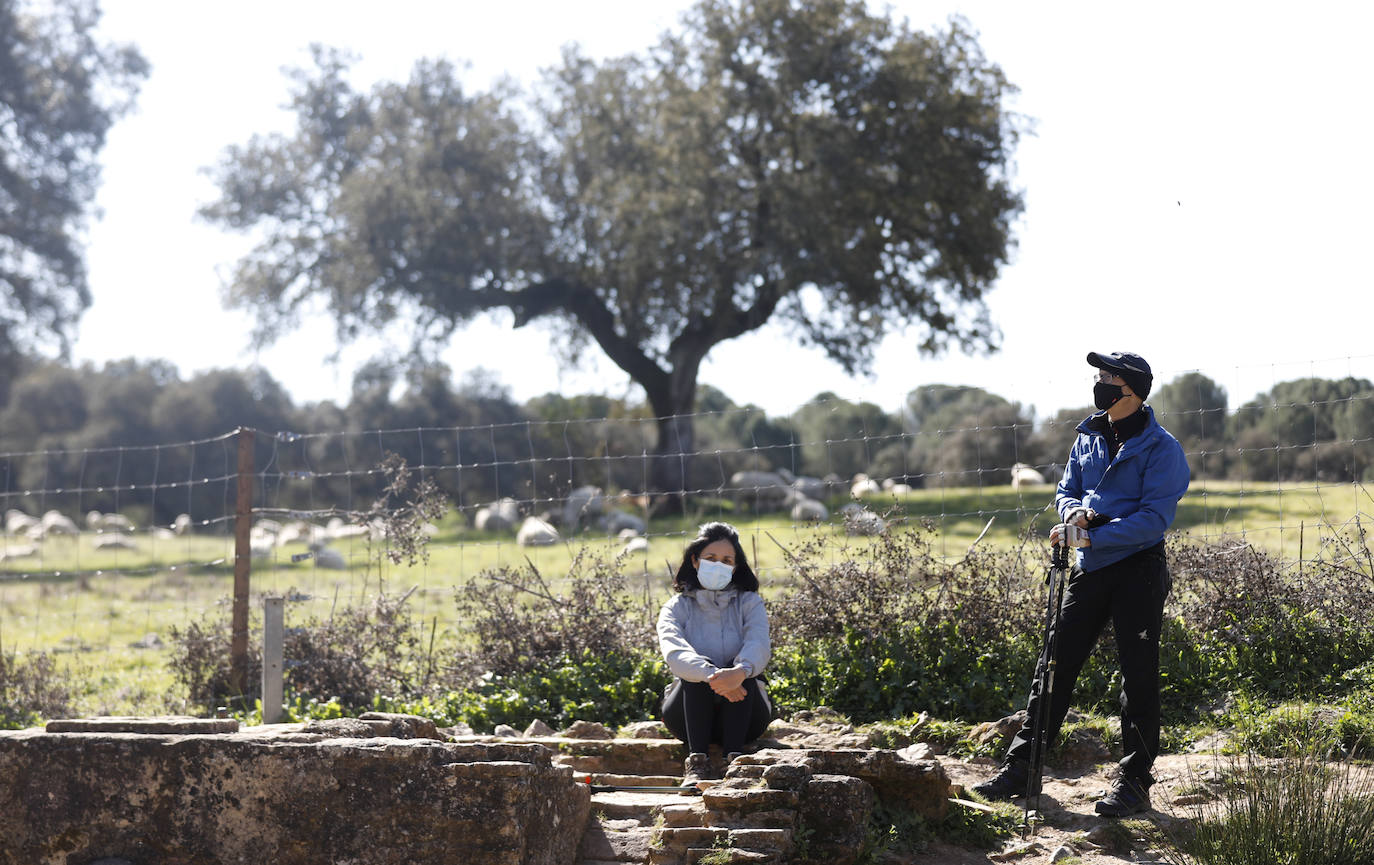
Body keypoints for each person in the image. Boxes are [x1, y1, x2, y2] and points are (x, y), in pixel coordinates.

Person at [973, 351, 1190, 817]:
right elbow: (1066, 490)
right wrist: (1073, 515)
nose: (1099, 385)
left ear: (1130, 388)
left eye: (1107, 378)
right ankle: (1022, 770)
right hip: (1091, 570)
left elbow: (1153, 520)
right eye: (1099, 377)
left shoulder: (1163, 448)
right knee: (1055, 663)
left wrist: (1091, 536)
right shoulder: (1088, 438)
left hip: (1138, 570)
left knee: (1138, 677)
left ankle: (1134, 782)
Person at [657, 521, 772, 784]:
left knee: (745, 668)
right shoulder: (675, 608)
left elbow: (759, 645)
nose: (718, 565)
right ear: (695, 561)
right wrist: (714, 676)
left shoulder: (750, 603)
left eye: (726, 560)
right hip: (686, 716)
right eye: (711, 558)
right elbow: (675, 653)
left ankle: (735, 761)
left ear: (736, 566)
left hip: (748, 713)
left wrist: (739, 672)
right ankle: (697, 762)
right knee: (695, 669)